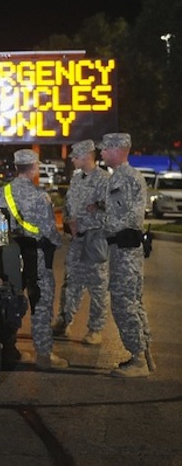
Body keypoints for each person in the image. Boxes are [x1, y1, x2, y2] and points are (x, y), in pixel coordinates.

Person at [0, 149, 67, 370]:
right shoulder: (40, 197)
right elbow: (50, 232)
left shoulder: (0, 194)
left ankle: (8, 350)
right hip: (37, 256)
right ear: (33, 168)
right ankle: (44, 355)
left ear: (16, 167)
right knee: (41, 304)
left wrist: (8, 245)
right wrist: (56, 243)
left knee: (11, 301)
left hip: (10, 255)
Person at [99, 132, 154, 377]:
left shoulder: (126, 178)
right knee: (134, 301)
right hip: (125, 248)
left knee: (123, 303)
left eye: (104, 149)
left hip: (125, 249)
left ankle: (138, 360)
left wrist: (103, 227)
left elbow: (130, 217)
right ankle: (145, 356)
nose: (101, 153)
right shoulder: (122, 177)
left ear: (117, 150)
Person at [52, 139, 110, 344]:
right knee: (71, 282)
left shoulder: (105, 180)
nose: (72, 160)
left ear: (86, 156)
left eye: (75, 156)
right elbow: (69, 206)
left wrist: (84, 221)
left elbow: (110, 211)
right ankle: (64, 321)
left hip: (95, 238)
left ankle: (95, 329)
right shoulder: (76, 179)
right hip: (77, 239)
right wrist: (69, 222)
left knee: (97, 285)